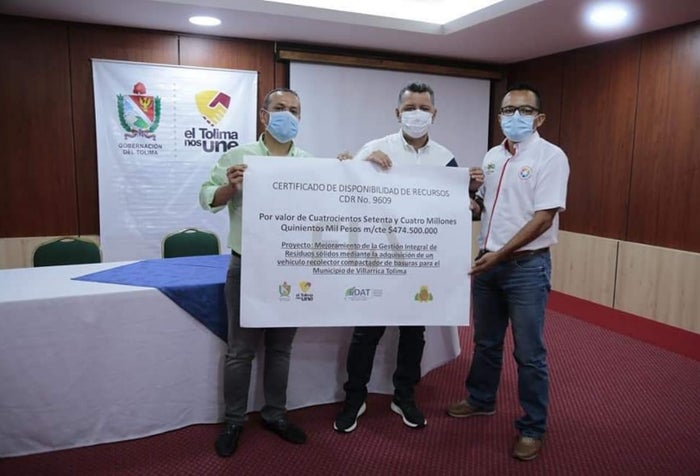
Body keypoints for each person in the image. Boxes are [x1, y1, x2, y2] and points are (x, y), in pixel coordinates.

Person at [333, 82, 483, 433]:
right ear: (397, 112)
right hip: (379, 259)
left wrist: (472, 193)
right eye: (410, 107)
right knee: (366, 332)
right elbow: (344, 188)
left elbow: (461, 205)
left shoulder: (445, 158)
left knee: (414, 333)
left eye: (424, 108)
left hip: (420, 263)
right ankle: (354, 398)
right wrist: (358, 164)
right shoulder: (376, 148)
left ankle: (404, 395)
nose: (417, 114)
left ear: (434, 114)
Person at [446, 83, 570, 461]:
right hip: (488, 265)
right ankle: (481, 399)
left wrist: (500, 255)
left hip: (525, 268)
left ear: (539, 118)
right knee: (486, 342)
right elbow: (483, 207)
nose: (515, 117)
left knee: (529, 352)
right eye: (507, 110)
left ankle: (532, 427)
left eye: (525, 111)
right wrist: (461, 195)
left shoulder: (551, 157)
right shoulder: (492, 156)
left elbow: (544, 217)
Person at [199, 88, 312, 458]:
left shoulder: (310, 163)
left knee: (281, 348)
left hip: (291, 265)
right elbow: (207, 198)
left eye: (294, 110)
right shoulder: (239, 156)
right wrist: (229, 187)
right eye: (279, 108)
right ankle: (234, 421)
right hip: (247, 264)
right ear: (264, 115)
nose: (287, 115)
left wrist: (345, 169)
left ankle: (275, 414)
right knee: (240, 350)